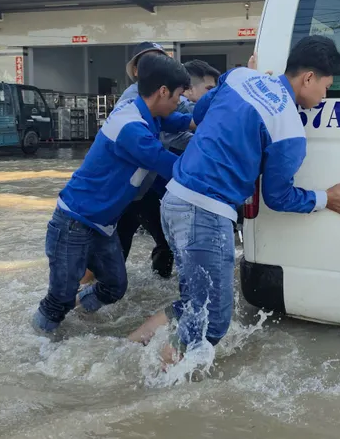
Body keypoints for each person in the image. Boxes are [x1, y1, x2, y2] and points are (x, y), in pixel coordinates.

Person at [127, 35, 340, 364]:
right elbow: (278, 197)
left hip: (173, 200)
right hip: (206, 212)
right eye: (327, 87)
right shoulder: (289, 129)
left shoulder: (241, 77)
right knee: (213, 322)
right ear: (308, 78)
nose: (325, 96)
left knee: (194, 303)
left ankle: (128, 350)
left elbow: (201, 111)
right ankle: (158, 379)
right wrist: (325, 198)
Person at [32, 53, 191, 335]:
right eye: (179, 95)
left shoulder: (146, 114)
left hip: (102, 225)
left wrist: (214, 113)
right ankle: (40, 345)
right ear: (163, 91)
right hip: (74, 221)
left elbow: (179, 121)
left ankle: (77, 317)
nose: (180, 101)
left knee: (114, 287)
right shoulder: (132, 128)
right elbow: (173, 167)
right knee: (57, 300)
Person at [80, 43, 196, 286]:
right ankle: (83, 291)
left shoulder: (155, 105)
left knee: (164, 240)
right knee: (111, 259)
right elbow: (164, 147)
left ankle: (153, 286)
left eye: (159, 61)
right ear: (135, 72)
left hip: (142, 189)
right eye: (146, 63)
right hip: (120, 196)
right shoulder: (133, 105)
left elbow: (180, 121)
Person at [145, 59, 222, 277]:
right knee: (167, 244)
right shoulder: (182, 108)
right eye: (209, 89)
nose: (212, 95)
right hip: (151, 190)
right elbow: (180, 134)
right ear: (187, 90)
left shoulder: (173, 112)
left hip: (154, 188)